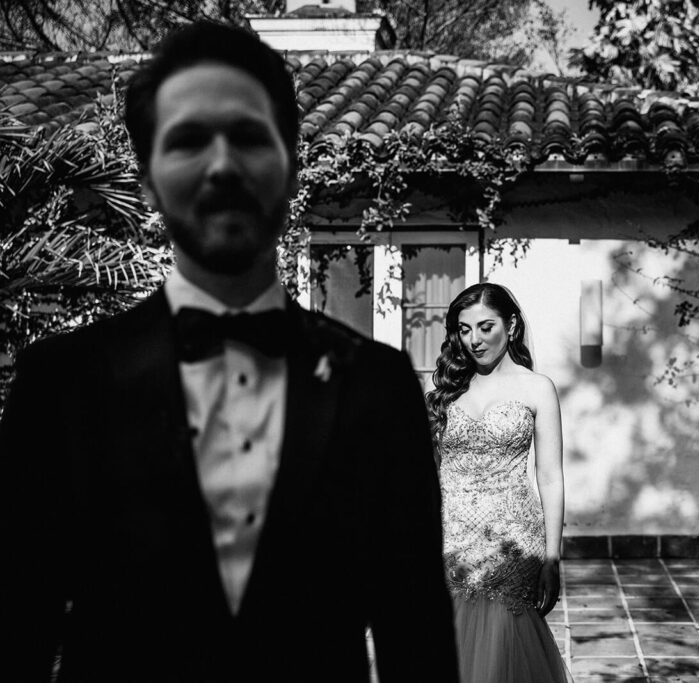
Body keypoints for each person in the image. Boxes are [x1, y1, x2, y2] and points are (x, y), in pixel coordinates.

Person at [0, 22, 458, 682]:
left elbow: (416, 638)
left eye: (247, 136)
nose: (221, 164)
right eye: (187, 140)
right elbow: (17, 627)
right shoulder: (60, 385)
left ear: (291, 164)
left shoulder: (380, 387)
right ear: (150, 182)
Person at [426, 283, 573, 682]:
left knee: (503, 659)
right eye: (464, 329)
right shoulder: (443, 393)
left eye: (485, 326)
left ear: (510, 326)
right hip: (449, 541)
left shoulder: (537, 388)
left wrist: (551, 557)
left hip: (511, 545)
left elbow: (550, 477)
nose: (474, 339)